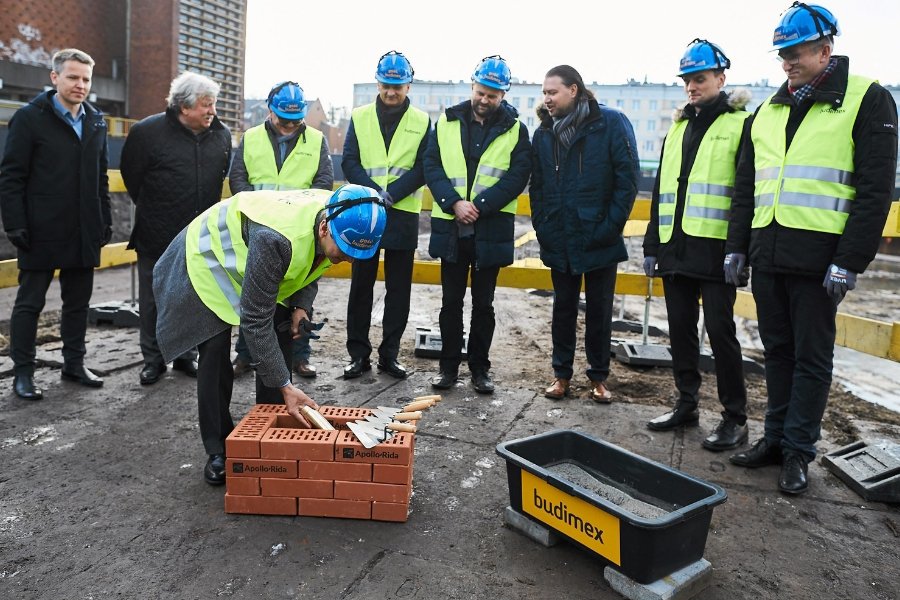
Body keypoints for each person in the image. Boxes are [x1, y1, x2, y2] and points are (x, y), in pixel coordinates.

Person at [725, 3, 897, 495]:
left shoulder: (867, 99)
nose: (787, 63)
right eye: (782, 54)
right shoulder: (768, 110)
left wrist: (849, 260)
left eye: (796, 53)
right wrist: (737, 248)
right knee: (777, 351)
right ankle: (775, 440)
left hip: (821, 260)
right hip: (769, 253)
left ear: (825, 50)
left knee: (812, 358)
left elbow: (875, 191)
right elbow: (746, 188)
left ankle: (799, 451)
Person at [153, 185, 387, 485]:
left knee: (282, 333)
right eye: (344, 251)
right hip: (209, 264)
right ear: (324, 228)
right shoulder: (276, 239)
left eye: (357, 254)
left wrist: (301, 306)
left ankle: (270, 432)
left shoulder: (338, 215)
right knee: (214, 353)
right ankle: (218, 448)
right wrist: (285, 385)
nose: (349, 259)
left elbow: (313, 262)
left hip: (259, 260)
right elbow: (254, 321)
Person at [642, 41, 751, 451]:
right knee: (681, 331)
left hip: (718, 252)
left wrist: (739, 249)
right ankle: (686, 404)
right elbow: (661, 191)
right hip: (675, 248)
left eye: (700, 78)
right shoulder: (678, 127)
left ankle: (735, 418)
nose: (692, 86)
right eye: (687, 80)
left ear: (721, 79)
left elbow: (745, 193)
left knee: (721, 334)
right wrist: (652, 245)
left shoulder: (742, 125)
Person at [0, 48, 111, 400]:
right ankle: (23, 372)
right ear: (54, 77)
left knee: (77, 304)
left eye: (86, 79)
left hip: (83, 228)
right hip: (40, 229)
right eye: (73, 77)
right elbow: (11, 176)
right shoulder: (29, 118)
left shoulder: (96, 120)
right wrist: (15, 224)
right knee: (30, 303)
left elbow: (101, 178)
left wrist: (104, 219)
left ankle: (74, 364)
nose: (81, 85)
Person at [530, 65, 639, 404]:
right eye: (544, 93)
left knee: (599, 310)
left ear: (573, 90)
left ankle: (598, 378)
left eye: (553, 92)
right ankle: (561, 375)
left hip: (599, 235)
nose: (547, 99)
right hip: (559, 235)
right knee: (562, 309)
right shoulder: (543, 133)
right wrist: (543, 226)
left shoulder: (610, 123)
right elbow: (537, 187)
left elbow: (627, 181)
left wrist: (609, 227)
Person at [424, 56, 530, 395]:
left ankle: (480, 370)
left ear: (503, 95)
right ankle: (448, 369)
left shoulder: (516, 129)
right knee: (450, 303)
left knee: (484, 305)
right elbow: (431, 165)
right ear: (472, 86)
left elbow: (517, 176)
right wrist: (454, 202)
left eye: (492, 95)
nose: (485, 100)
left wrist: (479, 206)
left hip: (490, 230)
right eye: (481, 92)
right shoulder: (446, 122)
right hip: (452, 228)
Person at [120, 72, 232, 386]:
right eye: (206, 105)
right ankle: (153, 360)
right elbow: (132, 177)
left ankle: (185, 356)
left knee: (192, 297)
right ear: (184, 107)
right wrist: (155, 209)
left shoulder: (221, 135)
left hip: (198, 236)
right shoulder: (146, 133)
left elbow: (220, 175)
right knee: (153, 300)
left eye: (213, 104)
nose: (212, 111)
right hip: (155, 232)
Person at [228, 81, 334, 379]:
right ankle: (245, 355)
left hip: (300, 228)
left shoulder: (316, 141)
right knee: (254, 292)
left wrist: (302, 213)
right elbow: (238, 179)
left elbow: (323, 183)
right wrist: (255, 213)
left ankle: (300, 356)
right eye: (284, 119)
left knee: (300, 286)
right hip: (258, 226)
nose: (289, 125)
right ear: (270, 110)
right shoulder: (251, 138)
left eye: (295, 120)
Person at [341, 51, 430, 380]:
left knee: (399, 290)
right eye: (386, 85)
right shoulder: (360, 116)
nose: (391, 92)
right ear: (377, 83)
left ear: (408, 86)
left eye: (398, 86)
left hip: (402, 213)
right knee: (360, 287)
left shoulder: (422, 121)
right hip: (366, 212)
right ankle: (358, 355)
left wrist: (394, 193)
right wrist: (373, 192)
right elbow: (349, 161)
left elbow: (424, 166)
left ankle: (389, 355)